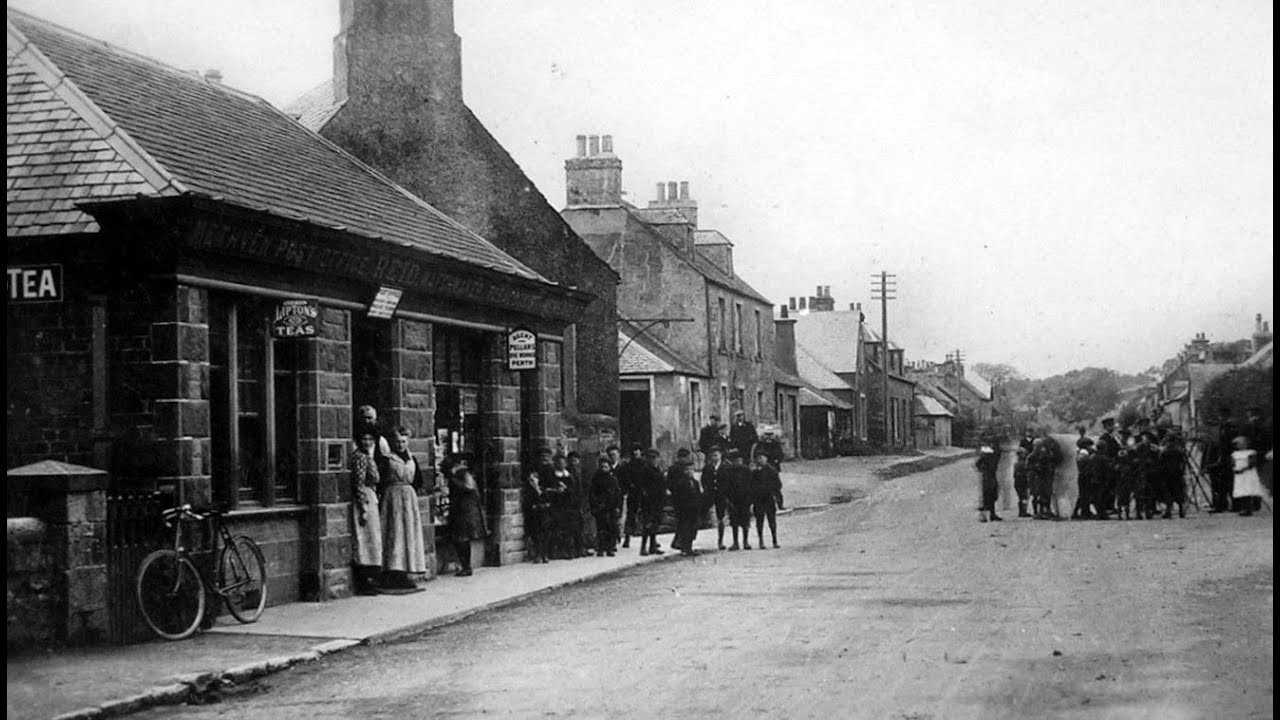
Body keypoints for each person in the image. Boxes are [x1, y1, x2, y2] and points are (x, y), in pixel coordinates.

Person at [379, 427, 427, 592]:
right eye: (398, 442)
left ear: (408, 442)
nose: (400, 445)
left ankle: (406, 571)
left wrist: (410, 492)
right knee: (394, 533)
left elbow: (418, 480)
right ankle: (393, 572)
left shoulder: (412, 459)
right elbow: (380, 479)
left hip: (408, 498)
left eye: (403, 441)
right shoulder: (388, 459)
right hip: (392, 497)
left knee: (408, 534)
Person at [349, 429, 384, 595]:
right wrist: (363, 507)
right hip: (365, 499)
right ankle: (365, 581)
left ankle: (369, 580)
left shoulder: (365, 456)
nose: (367, 442)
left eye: (370, 439)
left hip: (370, 496)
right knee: (366, 539)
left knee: (370, 539)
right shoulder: (361, 458)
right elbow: (359, 483)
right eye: (364, 438)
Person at [447, 459, 487, 577]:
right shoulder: (464, 474)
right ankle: (465, 566)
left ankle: (466, 567)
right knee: (461, 539)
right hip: (463, 510)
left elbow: (467, 488)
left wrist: (452, 479)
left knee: (462, 539)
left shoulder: (462, 474)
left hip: (464, 511)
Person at [668, 449, 704, 556]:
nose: (690, 472)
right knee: (684, 526)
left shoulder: (695, 482)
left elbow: (698, 494)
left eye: (692, 470)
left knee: (692, 527)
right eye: (688, 470)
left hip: (693, 507)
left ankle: (688, 547)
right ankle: (684, 547)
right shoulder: (679, 479)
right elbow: (673, 487)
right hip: (683, 505)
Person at [548, 453, 581, 559]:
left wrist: (566, 490)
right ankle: (557, 551)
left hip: (569, 505)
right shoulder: (553, 476)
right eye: (558, 463)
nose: (561, 465)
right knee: (557, 528)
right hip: (557, 505)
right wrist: (556, 490)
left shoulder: (569, 476)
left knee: (569, 529)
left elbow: (574, 489)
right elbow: (549, 488)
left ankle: (569, 550)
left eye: (563, 463)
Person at [523, 456, 554, 564]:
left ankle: (545, 553)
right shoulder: (529, 490)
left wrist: (546, 504)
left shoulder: (542, 489)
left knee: (545, 532)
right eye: (531, 479)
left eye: (535, 478)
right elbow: (527, 501)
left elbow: (549, 498)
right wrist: (533, 505)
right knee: (535, 533)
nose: (533, 481)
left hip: (544, 512)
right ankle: (538, 554)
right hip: (534, 513)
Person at [589, 455, 622, 557]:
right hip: (600, 507)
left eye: (606, 466)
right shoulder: (595, 479)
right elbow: (592, 494)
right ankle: (601, 547)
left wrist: (617, 507)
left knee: (611, 528)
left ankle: (610, 548)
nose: (604, 468)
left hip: (611, 507)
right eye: (602, 466)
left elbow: (617, 494)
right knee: (601, 528)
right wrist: (595, 505)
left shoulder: (613, 479)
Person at [636, 449, 667, 556]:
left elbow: (663, 485)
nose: (654, 460)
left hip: (658, 501)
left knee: (655, 524)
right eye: (651, 458)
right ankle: (643, 547)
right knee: (647, 525)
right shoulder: (644, 471)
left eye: (655, 458)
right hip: (648, 502)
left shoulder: (659, 470)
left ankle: (653, 546)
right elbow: (641, 487)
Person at [750, 450, 783, 546]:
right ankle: (761, 540)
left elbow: (778, 485)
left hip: (769, 498)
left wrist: (775, 495)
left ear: (766, 459)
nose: (760, 460)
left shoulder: (772, 471)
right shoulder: (754, 472)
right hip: (758, 499)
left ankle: (774, 539)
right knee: (759, 521)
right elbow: (750, 485)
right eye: (758, 458)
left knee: (771, 520)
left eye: (762, 458)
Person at [722, 450, 754, 550]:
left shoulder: (747, 470)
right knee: (734, 522)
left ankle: (745, 541)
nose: (738, 462)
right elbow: (725, 486)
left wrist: (750, 499)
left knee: (745, 522)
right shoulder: (728, 471)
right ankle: (735, 542)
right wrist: (728, 500)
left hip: (745, 499)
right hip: (733, 500)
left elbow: (751, 485)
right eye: (736, 460)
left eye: (740, 460)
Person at [615, 444, 645, 549]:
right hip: (633, 493)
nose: (635, 452)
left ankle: (650, 539)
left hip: (644, 493)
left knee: (646, 516)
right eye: (634, 450)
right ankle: (627, 538)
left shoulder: (644, 464)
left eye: (637, 450)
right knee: (631, 515)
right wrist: (628, 486)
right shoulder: (627, 465)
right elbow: (622, 479)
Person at [701, 446, 730, 549]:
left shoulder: (726, 467)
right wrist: (707, 490)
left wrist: (726, 493)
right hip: (710, 494)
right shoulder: (707, 467)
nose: (714, 457)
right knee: (701, 513)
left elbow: (729, 481)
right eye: (712, 455)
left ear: (720, 455)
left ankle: (720, 541)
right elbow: (704, 480)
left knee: (721, 517)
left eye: (716, 455)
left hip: (721, 495)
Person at [1204, 421, 1237, 513]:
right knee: (1218, 486)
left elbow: (1226, 453)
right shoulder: (1212, 442)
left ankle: (1231, 505)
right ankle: (1220, 504)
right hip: (1217, 466)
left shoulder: (1226, 440)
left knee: (1227, 485)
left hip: (1224, 465)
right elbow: (1207, 455)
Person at [567, 451, 595, 556]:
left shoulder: (583, 472)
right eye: (571, 460)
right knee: (572, 526)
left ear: (579, 461)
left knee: (583, 525)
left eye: (575, 460)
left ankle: (582, 547)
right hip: (571, 502)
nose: (573, 462)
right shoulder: (566, 472)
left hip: (582, 501)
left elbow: (587, 485)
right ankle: (573, 548)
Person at [1232, 436, 1265, 516]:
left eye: (1242, 444)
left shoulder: (1251, 452)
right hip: (1239, 475)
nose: (1240, 446)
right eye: (1238, 444)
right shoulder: (1235, 454)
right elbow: (1233, 463)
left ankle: (1249, 509)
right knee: (1241, 491)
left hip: (1248, 474)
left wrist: (1243, 469)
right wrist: (1234, 469)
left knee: (1248, 490)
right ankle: (1243, 508)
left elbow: (1252, 464)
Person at [1157, 431, 1187, 519]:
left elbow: (1160, 462)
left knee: (1168, 492)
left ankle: (1168, 511)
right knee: (1178, 491)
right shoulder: (1178, 451)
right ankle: (1181, 510)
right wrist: (1182, 471)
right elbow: (1183, 462)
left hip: (1167, 474)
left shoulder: (1165, 451)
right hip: (1177, 473)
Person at [1027, 438, 1056, 520]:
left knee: (1045, 494)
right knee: (1035, 495)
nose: (1039, 448)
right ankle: (1036, 512)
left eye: (1040, 446)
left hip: (1043, 477)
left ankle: (1044, 510)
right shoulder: (1031, 456)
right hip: (1035, 477)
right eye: (1037, 446)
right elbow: (1029, 467)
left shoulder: (1045, 455)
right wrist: (1036, 468)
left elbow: (1047, 465)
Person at [976, 444, 1002, 522]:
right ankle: (983, 516)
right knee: (986, 495)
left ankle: (992, 514)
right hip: (987, 478)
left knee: (992, 495)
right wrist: (983, 470)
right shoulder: (986, 457)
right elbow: (978, 464)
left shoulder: (993, 457)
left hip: (992, 476)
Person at [1012, 447, 1031, 517]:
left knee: (1021, 497)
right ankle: (1023, 511)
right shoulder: (1024, 464)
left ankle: (1021, 511)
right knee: (1024, 497)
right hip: (1023, 482)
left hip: (1017, 482)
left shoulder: (1016, 464)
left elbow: (1014, 475)